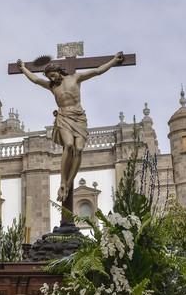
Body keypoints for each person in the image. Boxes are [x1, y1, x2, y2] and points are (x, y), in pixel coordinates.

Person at [16, 53, 124, 202]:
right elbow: (35, 80)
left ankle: (68, 182)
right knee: (68, 145)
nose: (52, 79)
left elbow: (97, 71)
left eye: (53, 75)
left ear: (59, 71)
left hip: (79, 118)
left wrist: (112, 61)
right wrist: (23, 68)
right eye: (50, 77)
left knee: (78, 149)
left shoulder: (75, 78)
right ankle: (62, 182)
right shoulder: (52, 86)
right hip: (63, 118)